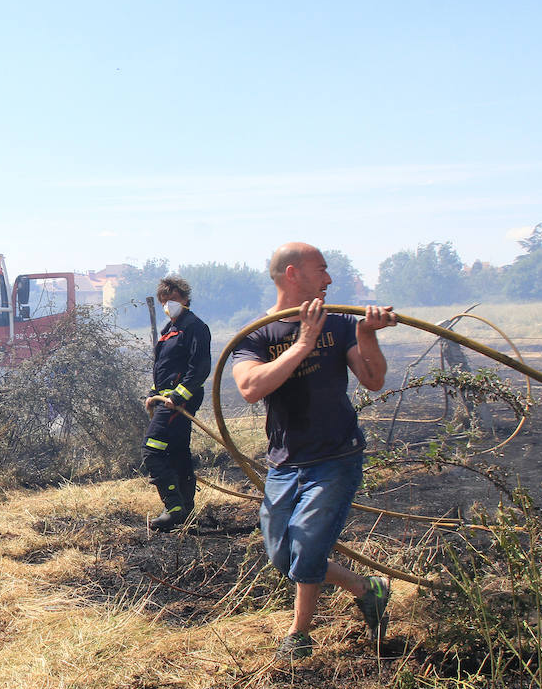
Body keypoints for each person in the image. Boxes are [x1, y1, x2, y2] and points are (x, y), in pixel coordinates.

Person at [231, 243, 396, 659]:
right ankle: (366, 588)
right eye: (321, 270)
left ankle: (299, 636)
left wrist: (366, 333)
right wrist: (303, 343)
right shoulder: (256, 335)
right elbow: (250, 388)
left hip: (337, 456)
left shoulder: (340, 325)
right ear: (293, 274)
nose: (328, 279)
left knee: (307, 547)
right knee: (281, 554)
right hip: (285, 462)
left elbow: (373, 379)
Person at [143, 276, 211, 531]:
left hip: (180, 401)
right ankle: (186, 510)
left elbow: (200, 367)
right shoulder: (168, 330)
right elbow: (163, 367)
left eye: (172, 300)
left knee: (153, 449)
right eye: (164, 301)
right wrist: (154, 392)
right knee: (178, 451)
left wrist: (178, 396)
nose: (168, 305)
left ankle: (173, 508)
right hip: (165, 399)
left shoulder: (195, 327)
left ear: (185, 299)